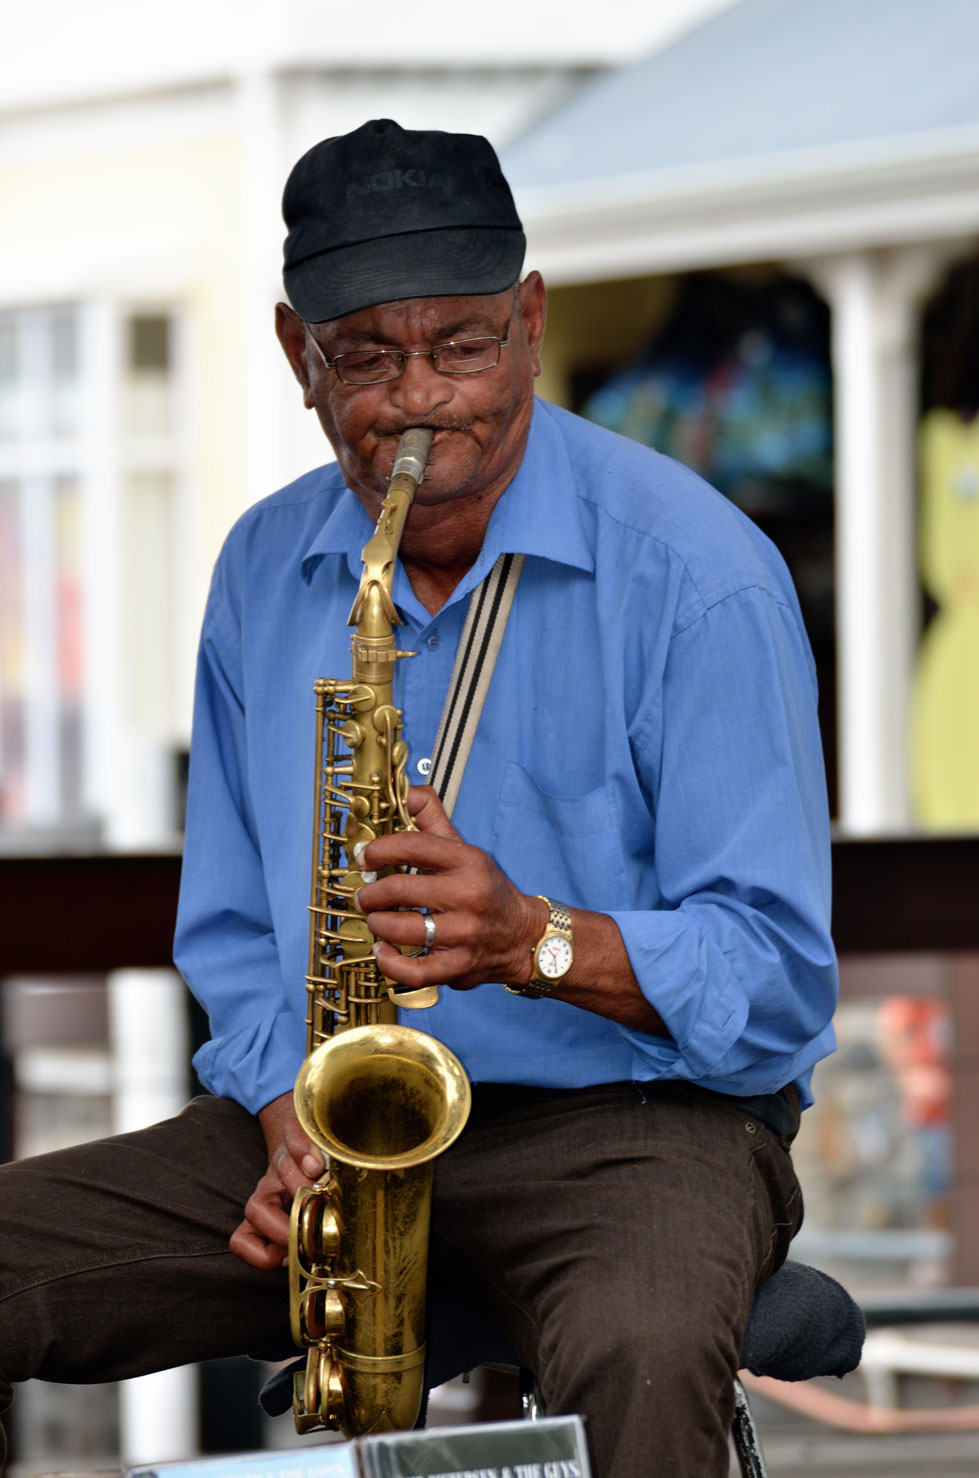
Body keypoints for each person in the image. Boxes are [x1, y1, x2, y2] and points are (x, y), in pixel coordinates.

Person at [0, 119, 837, 1478]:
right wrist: (286, 1106)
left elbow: (782, 976)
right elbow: (226, 927)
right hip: (330, 1123)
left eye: (461, 346)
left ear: (531, 323)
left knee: (639, 1346)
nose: (422, 402)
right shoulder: (264, 571)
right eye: (370, 358)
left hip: (638, 1124)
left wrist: (536, 939)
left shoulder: (700, 573)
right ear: (297, 354)